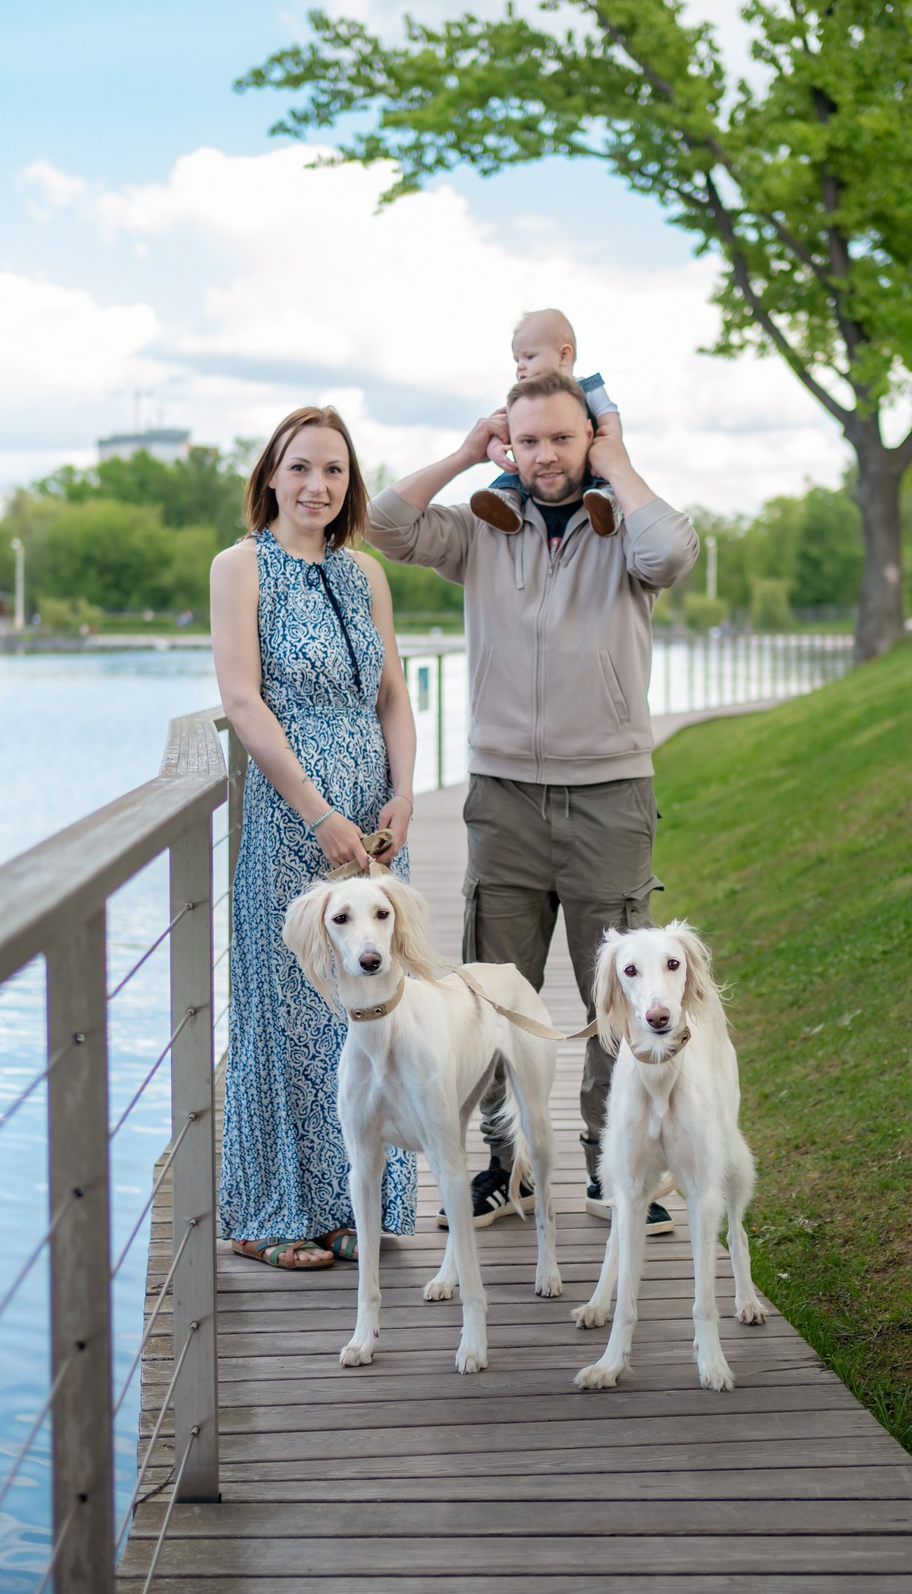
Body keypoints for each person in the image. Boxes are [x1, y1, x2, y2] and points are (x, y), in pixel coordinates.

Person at [367, 368, 698, 1234]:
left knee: (615, 1000)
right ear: (507, 442)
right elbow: (383, 523)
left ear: (589, 437)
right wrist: (468, 452)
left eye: (564, 436)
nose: (546, 456)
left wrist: (616, 459)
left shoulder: (623, 529)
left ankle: (610, 1165)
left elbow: (675, 551)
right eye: (529, 440)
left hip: (610, 797)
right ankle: (503, 1169)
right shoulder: (482, 529)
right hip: (505, 796)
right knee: (493, 997)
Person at [211, 405, 419, 1269]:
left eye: (332, 470)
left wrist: (404, 793)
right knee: (286, 1012)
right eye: (299, 468)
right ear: (270, 476)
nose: (316, 485)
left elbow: (394, 696)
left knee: (366, 1018)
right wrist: (317, 812)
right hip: (296, 825)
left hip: (374, 833)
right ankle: (272, 1213)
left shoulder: (365, 573)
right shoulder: (240, 566)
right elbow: (242, 701)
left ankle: (352, 1206)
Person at [471, 309, 620, 540]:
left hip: (589, 462)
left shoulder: (588, 388)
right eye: (517, 360)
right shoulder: (522, 398)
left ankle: (605, 506)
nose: (520, 366)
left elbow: (609, 414)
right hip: (536, 473)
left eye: (529, 357)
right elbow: (499, 427)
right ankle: (507, 502)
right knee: (513, 476)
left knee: (605, 480)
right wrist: (494, 449)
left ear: (563, 356)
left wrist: (609, 445)